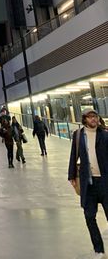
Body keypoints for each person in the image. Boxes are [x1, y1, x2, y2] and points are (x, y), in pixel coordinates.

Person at [68, 108, 108, 258]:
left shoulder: (105, 135)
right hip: (88, 183)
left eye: (95, 116)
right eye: (90, 117)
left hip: (105, 182)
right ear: (84, 119)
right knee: (89, 217)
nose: (93, 119)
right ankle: (99, 250)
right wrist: (71, 175)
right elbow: (74, 155)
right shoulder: (78, 136)